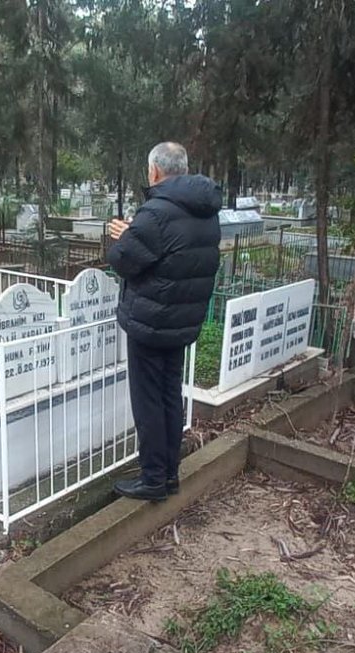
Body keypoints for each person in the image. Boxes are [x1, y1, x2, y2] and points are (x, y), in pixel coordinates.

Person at [106, 142, 221, 501]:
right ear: (183, 170)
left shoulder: (156, 211)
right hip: (182, 321)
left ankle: (153, 478)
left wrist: (125, 235)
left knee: (149, 402)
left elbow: (124, 260)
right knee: (171, 395)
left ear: (154, 171)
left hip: (151, 322)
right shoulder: (205, 210)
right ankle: (169, 474)